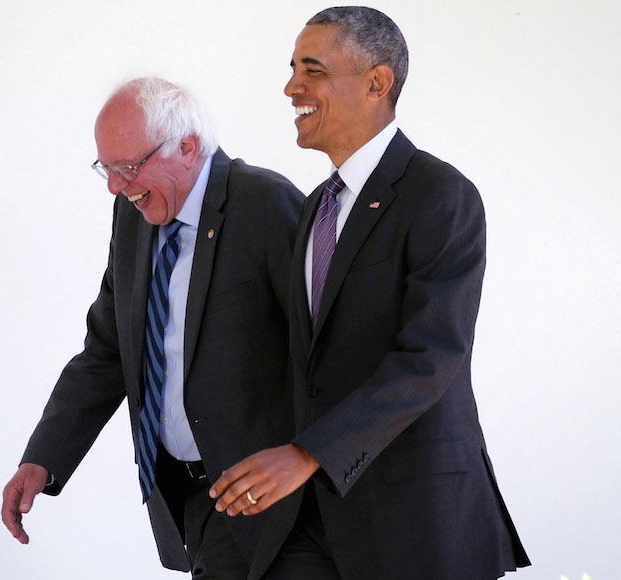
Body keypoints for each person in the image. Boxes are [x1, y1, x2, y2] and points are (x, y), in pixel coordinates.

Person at [209, 7, 531, 579]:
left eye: (312, 70)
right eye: (291, 69)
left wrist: (308, 454)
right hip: (313, 522)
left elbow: (430, 358)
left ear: (377, 82)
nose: (291, 87)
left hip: (416, 521)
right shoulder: (314, 208)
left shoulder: (441, 195)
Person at [1, 77, 304, 577]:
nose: (116, 186)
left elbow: (325, 352)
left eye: (127, 167)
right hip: (188, 496)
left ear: (187, 146)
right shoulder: (133, 214)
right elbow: (108, 350)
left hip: (270, 503)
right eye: (106, 169)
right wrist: (43, 459)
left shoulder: (266, 204)